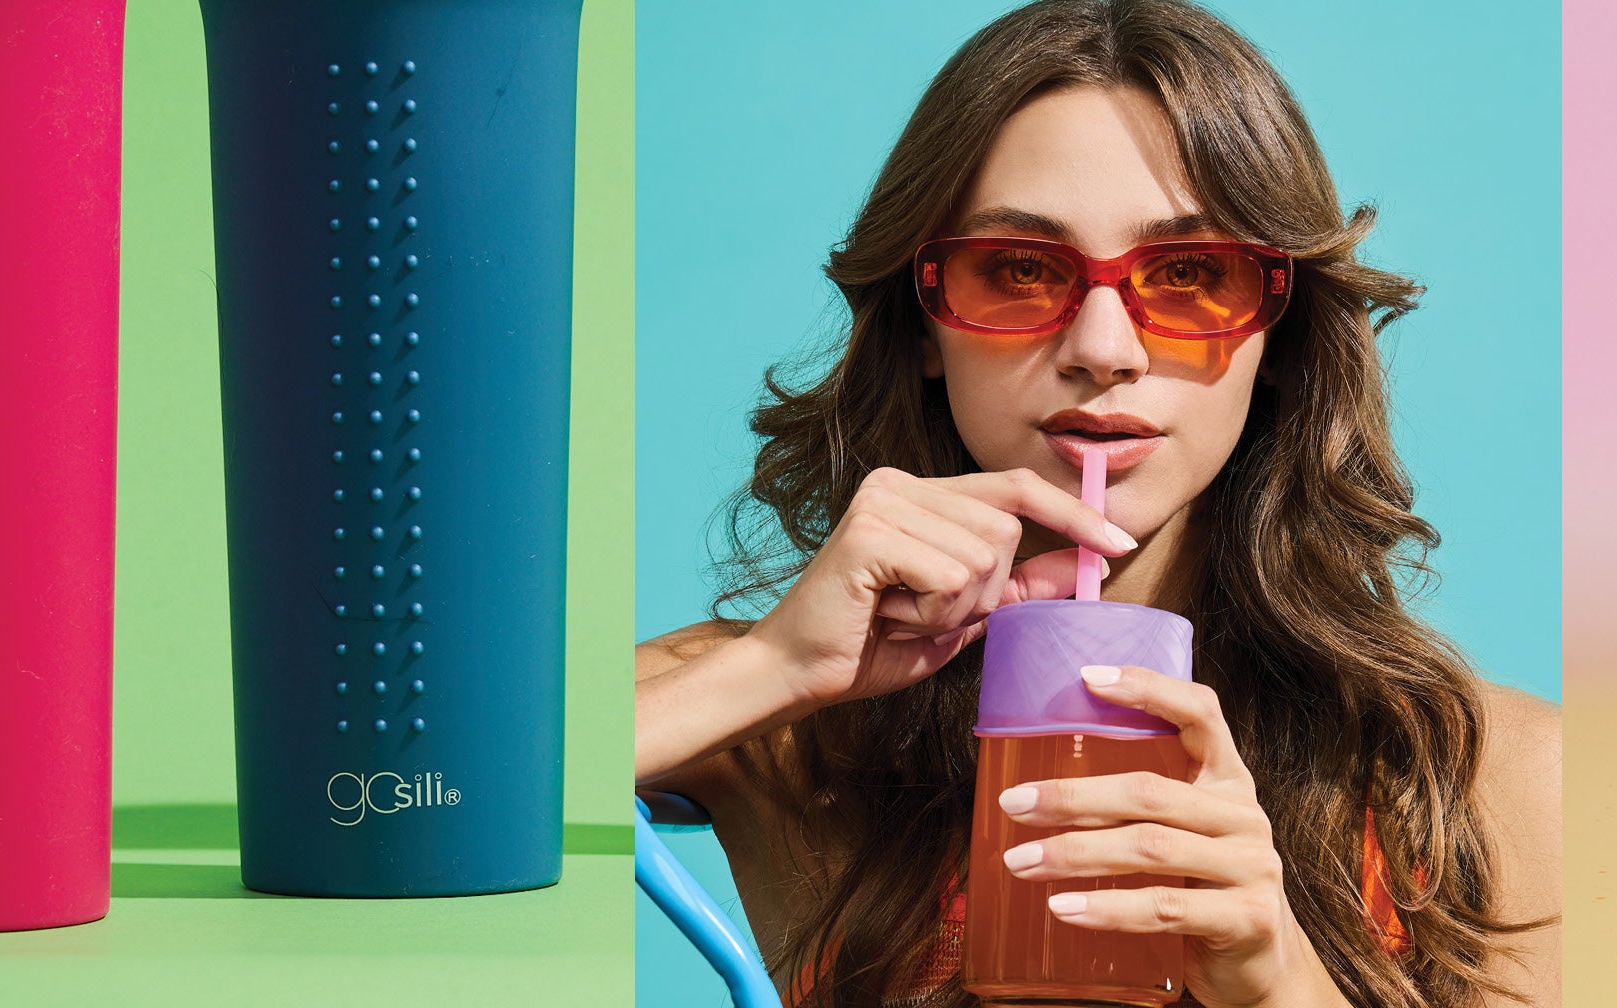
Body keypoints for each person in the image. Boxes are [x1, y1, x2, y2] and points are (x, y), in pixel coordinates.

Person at [636, 2, 1559, 1005]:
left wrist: (1281, 982)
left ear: (1278, 337)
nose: (1105, 349)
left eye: (1193, 273)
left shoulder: (1489, 781)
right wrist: (775, 667)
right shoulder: (783, 725)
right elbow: (442, 805)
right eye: (1022, 270)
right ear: (917, 327)